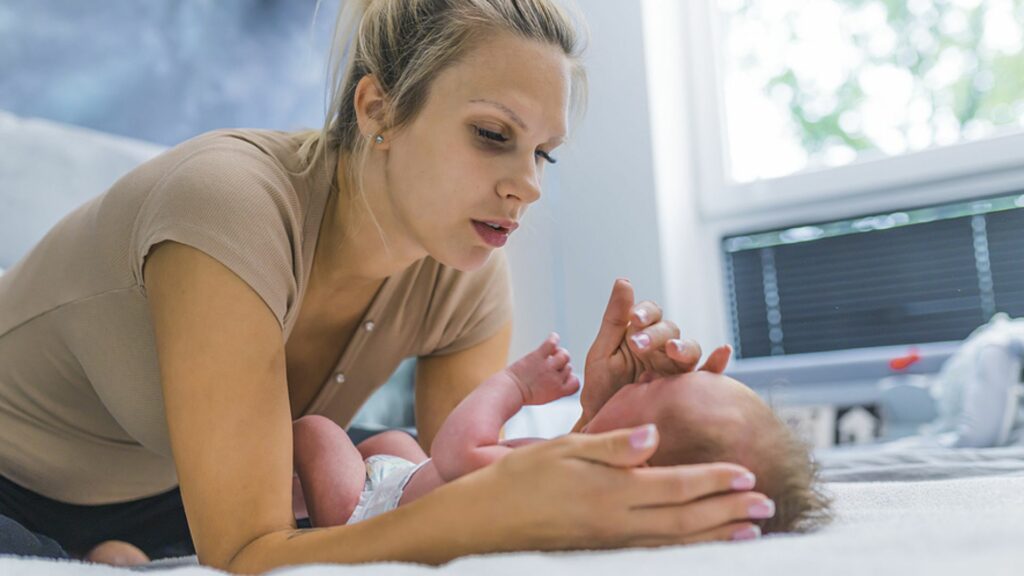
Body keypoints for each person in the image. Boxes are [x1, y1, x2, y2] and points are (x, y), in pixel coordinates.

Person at [0, 0, 771, 571]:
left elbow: (453, 480)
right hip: (13, 479)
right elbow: (244, 550)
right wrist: (491, 515)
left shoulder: (466, 278)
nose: (528, 185)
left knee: (378, 468)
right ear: (378, 109)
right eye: (493, 136)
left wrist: (598, 428)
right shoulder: (229, 204)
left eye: (545, 154)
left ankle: (112, 547)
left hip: (176, 487)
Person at [291, 335, 829, 537]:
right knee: (391, 441)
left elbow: (458, 451)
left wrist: (514, 385)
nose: (647, 373)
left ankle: (276, 511)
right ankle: (299, 495)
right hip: (408, 482)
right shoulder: (578, 490)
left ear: (635, 459)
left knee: (316, 431)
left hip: (370, 519)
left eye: (655, 390)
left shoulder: (546, 484)